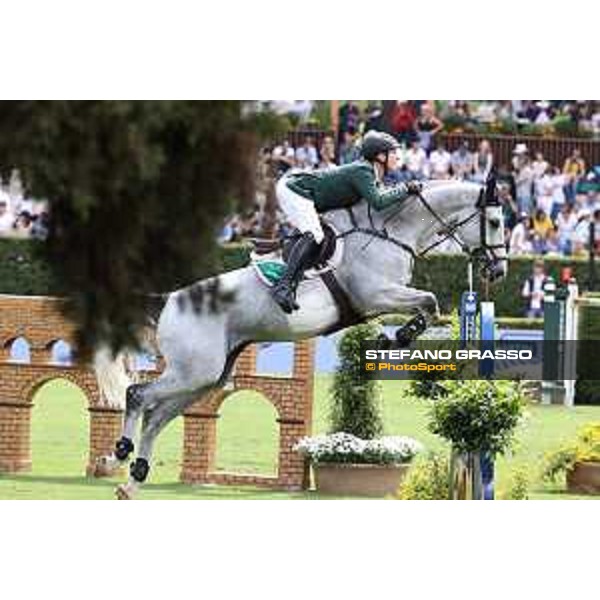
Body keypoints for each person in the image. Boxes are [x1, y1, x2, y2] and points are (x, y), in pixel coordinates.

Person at [271, 130, 423, 313]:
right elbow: (379, 202)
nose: (397, 157)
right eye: (393, 153)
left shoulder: (371, 173)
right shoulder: (363, 171)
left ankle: (296, 282)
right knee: (315, 235)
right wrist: (405, 188)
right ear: (380, 156)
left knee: (317, 235)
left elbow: (381, 197)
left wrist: (403, 190)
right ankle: (283, 286)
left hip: (304, 192)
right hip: (294, 189)